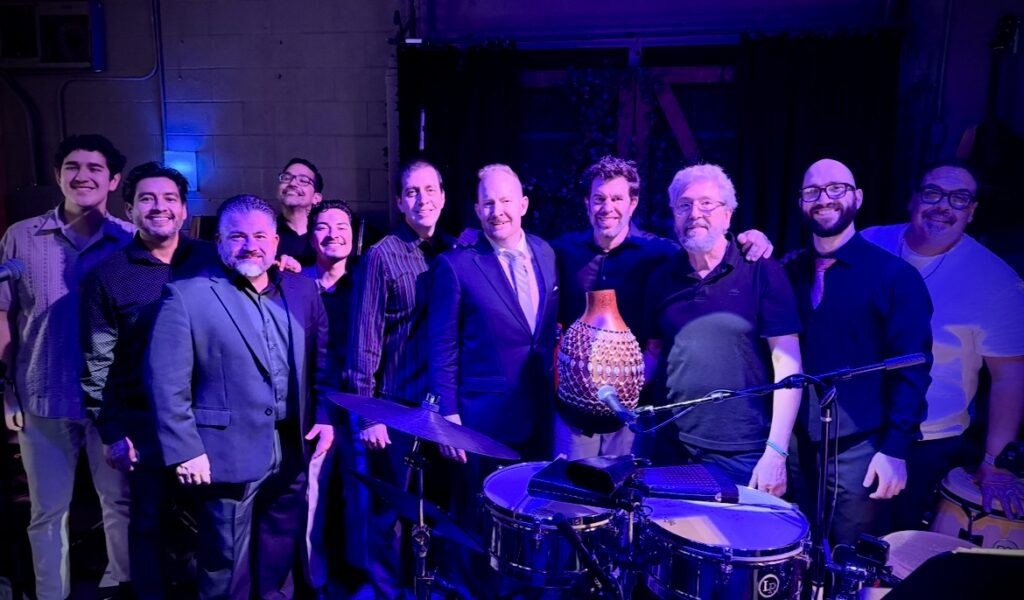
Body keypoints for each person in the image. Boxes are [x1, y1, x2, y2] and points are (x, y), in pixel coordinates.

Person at [148, 194, 334, 598]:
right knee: (225, 563)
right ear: (219, 241)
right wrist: (185, 449)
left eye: (261, 236)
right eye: (238, 236)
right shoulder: (187, 296)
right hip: (225, 452)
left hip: (292, 446)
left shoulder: (303, 291)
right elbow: (166, 383)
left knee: (277, 554)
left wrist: (324, 416)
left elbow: (322, 362)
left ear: (276, 241)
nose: (251, 245)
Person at [551, 155, 775, 459]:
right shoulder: (562, 251)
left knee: (626, 484)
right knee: (573, 486)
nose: (607, 207)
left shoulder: (660, 254)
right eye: (599, 198)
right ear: (586, 203)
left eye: (617, 198)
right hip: (575, 408)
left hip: (635, 410)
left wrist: (751, 238)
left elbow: (709, 246)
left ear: (633, 203)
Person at [0, 134, 134, 599]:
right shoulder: (20, 236)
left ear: (113, 180)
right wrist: (7, 391)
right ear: (58, 175)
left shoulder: (129, 240)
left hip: (111, 404)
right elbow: (3, 315)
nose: (83, 176)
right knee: (46, 513)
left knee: (119, 504)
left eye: (95, 168)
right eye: (72, 167)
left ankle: (120, 589)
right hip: (41, 395)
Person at [81, 162, 218, 598]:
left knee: (216, 522)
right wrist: (112, 433)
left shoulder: (213, 260)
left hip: (212, 418)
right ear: (130, 210)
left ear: (184, 209)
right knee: (148, 522)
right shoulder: (108, 275)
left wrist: (285, 263)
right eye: (147, 199)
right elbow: (97, 363)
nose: (159, 206)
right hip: (145, 424)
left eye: (169, 198)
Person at [861, 164, 1024, 524]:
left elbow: (1010, 377)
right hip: (854, 425)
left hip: (928, 439)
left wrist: (995, 462)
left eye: (959, 198)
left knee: (895, 542)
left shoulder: (997, 281)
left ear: (972, 211)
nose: (943, 206)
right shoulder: (869, 242)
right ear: (913, 199)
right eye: (932, 193)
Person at [783, 158, 932, 547]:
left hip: (861, 448)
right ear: (801, 202)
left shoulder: (894, 277)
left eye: (836, 189)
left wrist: (895, 449)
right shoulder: (789, 271)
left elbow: (913, 369)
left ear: (858, 197)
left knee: (851, 561)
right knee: (797, 553)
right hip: (797, 445)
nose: (824, 198)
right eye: (812, 191)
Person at [429, 163, 560, 597]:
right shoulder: (456, 266)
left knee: (529, 516)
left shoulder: (546, 252)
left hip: (539, 415)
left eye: (505, 201)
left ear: (523, 204)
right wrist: (447, 416)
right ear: (476, 209)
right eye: (488, 202)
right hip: (480, 422)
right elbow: (442, 346)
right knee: (479, 521)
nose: (497, 211)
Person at [641, 163, 803, 495]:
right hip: (673, 446)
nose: (694, 213)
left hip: (744, 452)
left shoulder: (760, 268)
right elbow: (654, 353)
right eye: (684, 205)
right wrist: (616, 384)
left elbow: (788, 366)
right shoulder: (661, 277)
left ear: (728, 215)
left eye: (706, 204)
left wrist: (776, 451)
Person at [345, 159, 455, 598]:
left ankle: (427, 587)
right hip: (393, 405)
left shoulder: (453, 251)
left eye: (430, 190)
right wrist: (369, 414)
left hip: (439, 406)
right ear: (399, 201)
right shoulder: (382, 255)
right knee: (389, 511)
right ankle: (388, 590)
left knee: (433, 507)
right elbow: (364, 337)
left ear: (443, 197)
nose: (422, 199)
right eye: (412, 192)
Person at [299, 199, 366, 593]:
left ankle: (358, 577)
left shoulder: (366, 282)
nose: (333, 234)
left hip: (359, 403)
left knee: (359, 495)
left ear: (354, 237)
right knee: (313, 495)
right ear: (312, 237)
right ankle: (314, 579)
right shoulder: (296, 283)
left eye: (342, 227)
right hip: (313, 404)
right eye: (323, 227)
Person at [276, 157, 324, 266]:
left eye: (303, 181)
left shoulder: (326, 235)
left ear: (316, 198)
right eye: (286, 178)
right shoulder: (266, 232)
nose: (292, 183)